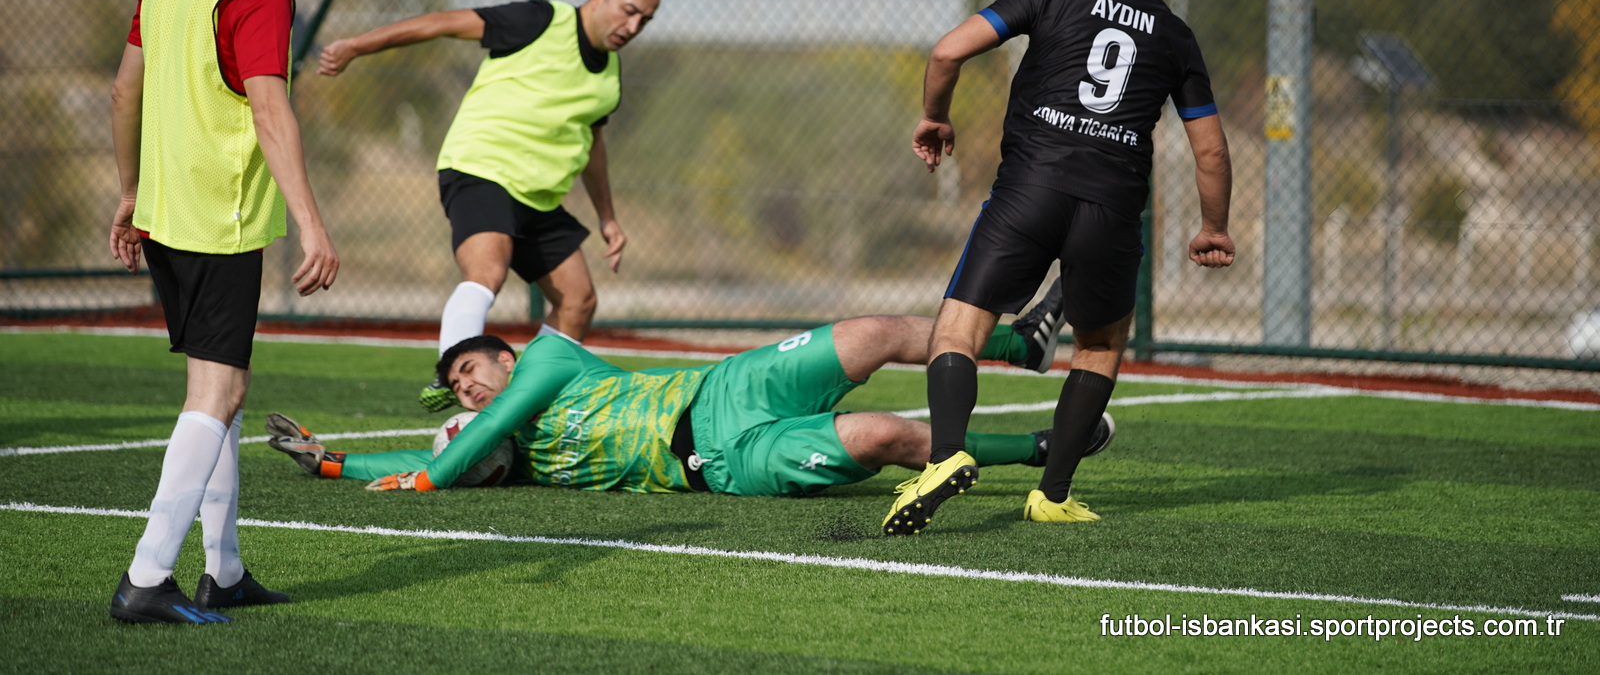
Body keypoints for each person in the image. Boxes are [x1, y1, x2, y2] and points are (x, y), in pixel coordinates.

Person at [883, 0, 1234, 535]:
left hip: (1030, 189)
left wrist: (936, 116)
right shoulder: (1174, 33)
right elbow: (1210, 147)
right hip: (1113, 206)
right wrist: (1213, 227)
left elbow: (947, 51)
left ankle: (946, 454)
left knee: (958, 328)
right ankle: (1053, 494)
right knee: (1098, 345)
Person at [107, 0, 340, 623]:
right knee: (220, 391)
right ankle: (146, 577)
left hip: (164, 212)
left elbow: (124, 90)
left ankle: (225, 569)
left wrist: (129, 190)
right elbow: (270, 109)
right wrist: (312, 224)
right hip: (219, 218)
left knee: (220, 392)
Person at [317, 0, 664, 411]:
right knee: (488, 273)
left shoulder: (610, 75)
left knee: (579, 301)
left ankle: (528, 403)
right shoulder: (540, 22)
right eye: (629, 10)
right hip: (482, 168)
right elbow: (441, 23)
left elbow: (593, 144)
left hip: (539, 196)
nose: (633, 26)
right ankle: (452, 379)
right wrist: (356, 46)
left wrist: (608, 218)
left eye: (645, 20)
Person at [265, 313, 1113, 497]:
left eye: (469, 370)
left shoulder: (548, 356)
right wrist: (334, 460)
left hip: (727, 385)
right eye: (454, 388)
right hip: (723, 462)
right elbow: (438, 454)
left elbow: (458, 447)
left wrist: (427, 479)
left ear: (506, 356)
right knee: (890, 436)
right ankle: (1049, 447)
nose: (466, 388)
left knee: (878, 332)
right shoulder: (513, 456)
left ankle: (1019, 343)